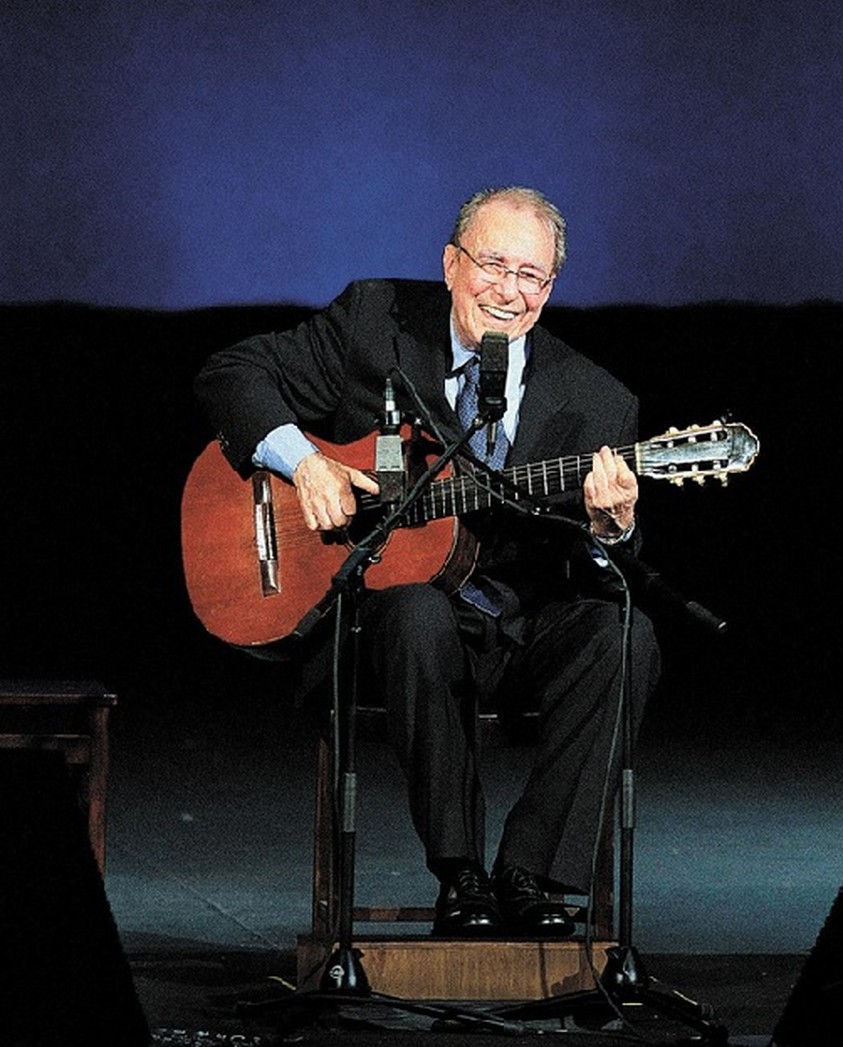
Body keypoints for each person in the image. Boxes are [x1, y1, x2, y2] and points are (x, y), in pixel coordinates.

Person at [194, 186, 659, 938]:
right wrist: (305, 462)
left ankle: (529, 870)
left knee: (626, 637)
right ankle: (461, 872)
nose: (508, 290)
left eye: (531, 275)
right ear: (450, 263)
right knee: (415, 605)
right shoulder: (375, 323)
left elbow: (605, 573)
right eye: (493, 264)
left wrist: (613, 527)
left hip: (514, 627)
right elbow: (229, 372)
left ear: (550, 289)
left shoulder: (598, 401)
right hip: (385, 633)